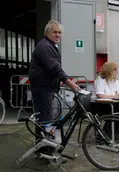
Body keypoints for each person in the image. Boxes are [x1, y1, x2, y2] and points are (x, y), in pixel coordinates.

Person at [28, 20, 80, 150]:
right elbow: (55, 68)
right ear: (47, 33)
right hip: (43, 89)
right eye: (54, 32)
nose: (57, 35)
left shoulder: (50, 46)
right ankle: (49, 151)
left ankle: (41, 149)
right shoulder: (45, 47)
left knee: (42, 120)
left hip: (45, 88)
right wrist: (71, 85)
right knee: (47, 120)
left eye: (59, 32)